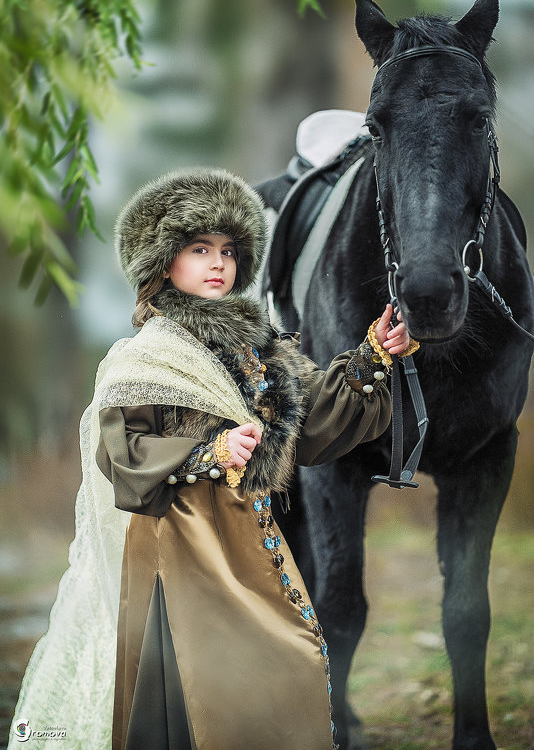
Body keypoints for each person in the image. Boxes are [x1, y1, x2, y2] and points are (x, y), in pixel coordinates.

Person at [9, 168, 415, 750]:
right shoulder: (146, 355)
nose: (218, 263)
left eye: (227, 251)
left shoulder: (257, 348)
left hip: (249, 544)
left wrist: (372, 355)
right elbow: (122, 451)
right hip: (178, 554)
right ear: (164, 261)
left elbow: (309, 419)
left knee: (283, 663)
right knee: (185, 693)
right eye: (200, 249)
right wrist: (208, 451)